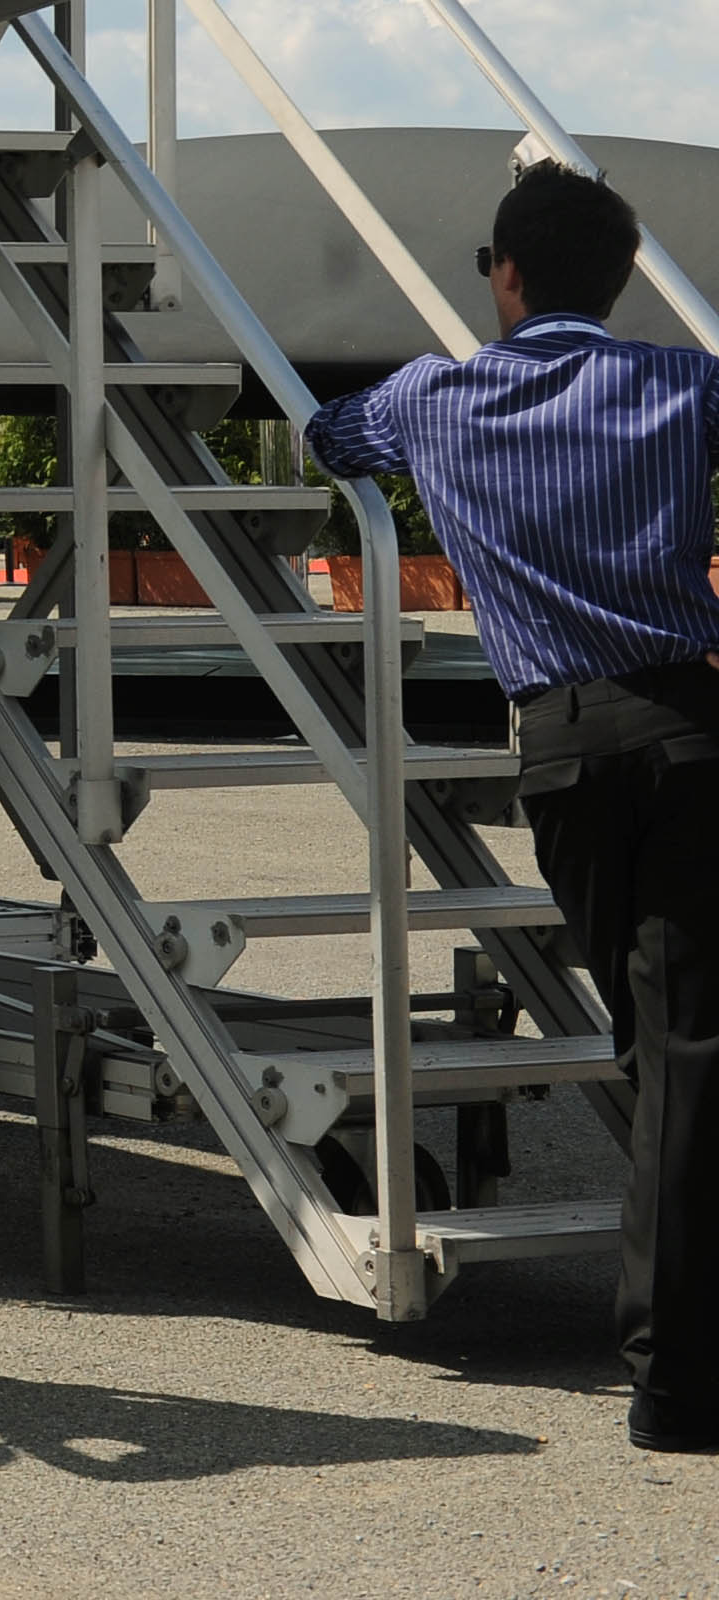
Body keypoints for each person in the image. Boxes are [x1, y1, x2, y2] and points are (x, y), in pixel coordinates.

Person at [305, 159, 719, 1455]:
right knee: (683, 1049)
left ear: (505, 275)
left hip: (560, 747)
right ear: (622, 278)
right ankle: (673, 1377)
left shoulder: (432, 399)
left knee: (655, 1046)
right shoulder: (683, 384)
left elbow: (327, 438)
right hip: (690, 727)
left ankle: (674, 1364)